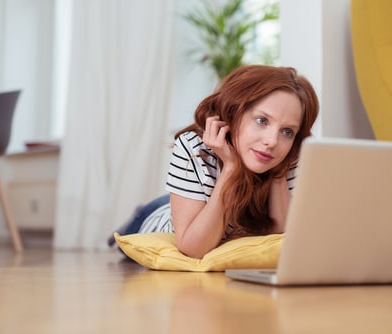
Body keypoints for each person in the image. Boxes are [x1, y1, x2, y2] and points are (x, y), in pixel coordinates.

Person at [110, 64, 319, 259]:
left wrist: (279, 173)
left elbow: (282, 237)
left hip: (198, 201)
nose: (272, 141)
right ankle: (133, 219)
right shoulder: (194, 146)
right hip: (156, 218)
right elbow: (194, 248)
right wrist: (231, 169)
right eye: (262, 120)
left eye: (287, 131)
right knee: (127, 235)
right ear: (234, 111)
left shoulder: (288, 153)